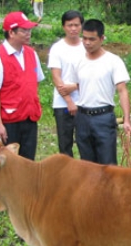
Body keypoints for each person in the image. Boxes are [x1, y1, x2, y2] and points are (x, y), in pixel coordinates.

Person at [0, 12, 44, 161]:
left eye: (29, 30)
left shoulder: (31, 54)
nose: (28, 33)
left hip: (29, 117)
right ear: (11, 32)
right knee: (6, 164)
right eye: (24, 30)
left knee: (27, 162)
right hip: (8, 120)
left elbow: (35, 83)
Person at [73, 19, 131, 165]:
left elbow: (122, 91)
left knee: (108, 165)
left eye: (92, 39)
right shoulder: (78, 61)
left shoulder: (113, 61)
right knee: (86, 165)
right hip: (82, 117)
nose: (87, 43)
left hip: (103, 117)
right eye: (84, 38)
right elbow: (79, 86)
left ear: (101, 38)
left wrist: (126, 120)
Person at [47, 10, 85, 157]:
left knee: (85, 141)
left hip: (84, 100)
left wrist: (75, 86)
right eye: (69, 25)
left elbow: (91, 74)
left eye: (76, 25)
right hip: (62, 103)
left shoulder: (87, 46)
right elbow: (56, 77)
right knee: (65, 143)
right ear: (63, 27)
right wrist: (69, 102)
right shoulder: (57, 48)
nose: (73, 29)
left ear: (81, 26)